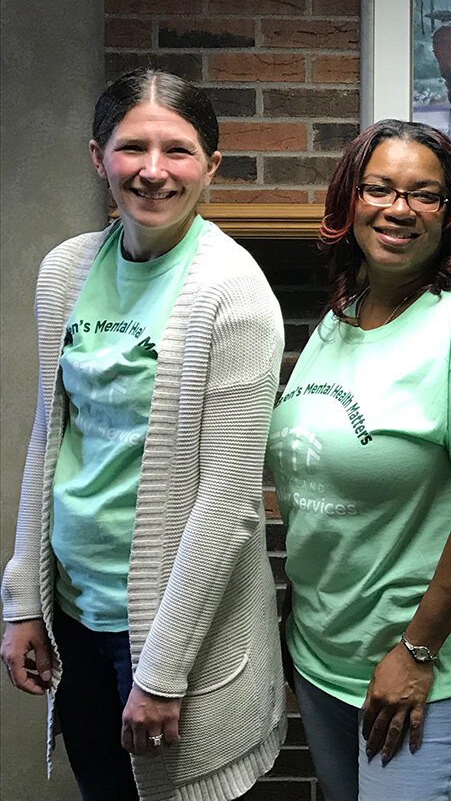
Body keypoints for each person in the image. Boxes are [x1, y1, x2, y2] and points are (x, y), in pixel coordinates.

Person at [0, 69, 286, 800]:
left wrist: (160, 671)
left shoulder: (234, 292)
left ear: (211, 166)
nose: (153, 171)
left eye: (178, 151)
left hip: (167, 631)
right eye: (132, 147)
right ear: (99, 157)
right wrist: (24, 598)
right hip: (74, 613)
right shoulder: (65, 271)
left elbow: (228, 503)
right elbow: (48, 438)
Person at [265, 119, 451, 801]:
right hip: (324, 650)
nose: (398, 208)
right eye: (378, 188)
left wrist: (416, 651)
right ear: (349, 200)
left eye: (424, 194)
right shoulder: (340, 318)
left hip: (421, 665)